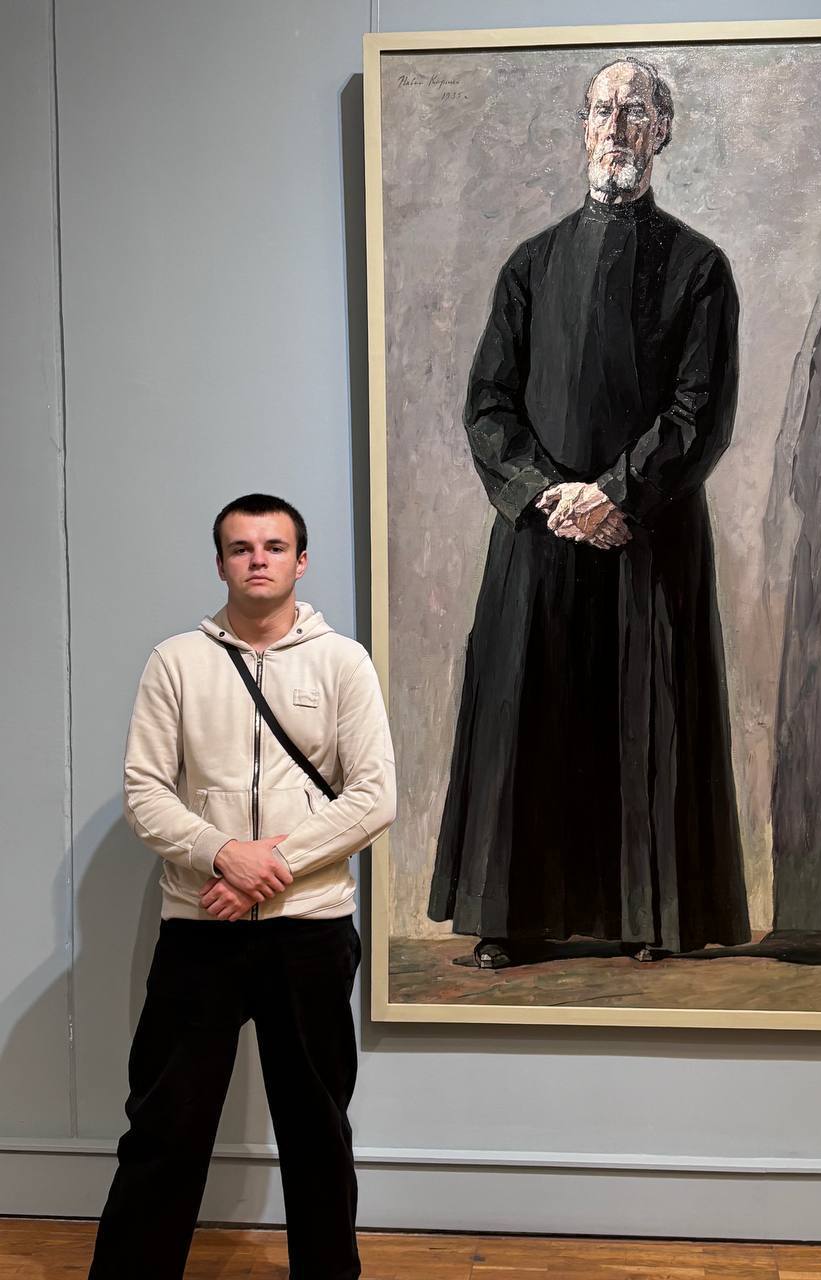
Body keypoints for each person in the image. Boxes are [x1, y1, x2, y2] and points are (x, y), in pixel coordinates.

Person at [428, 58, 750, 968]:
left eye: (636, 112)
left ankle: (650, 917)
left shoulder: (700, 267)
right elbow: (488, 407)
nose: (617, 127)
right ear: (583, 127)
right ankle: (512, 918)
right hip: (541, 534)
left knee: (646, 715)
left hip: (649, 532)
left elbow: (700, 411)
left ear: (663, 131)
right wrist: (551, 495)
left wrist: (616, 492)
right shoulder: (530, 265)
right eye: (603, 110)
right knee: (529, 714)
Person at [88, 493, 396, 1280]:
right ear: (220, 563)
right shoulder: (176, 662)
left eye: (274, 546)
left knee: (317, 1132)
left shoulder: (343, 662)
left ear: (301, 561)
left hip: (311, 933)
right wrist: (224, 853)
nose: (258, 559)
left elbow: (374, 798)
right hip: (201, 929)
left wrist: (264, 870)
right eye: (240, 547)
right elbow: (145, 793)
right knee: (165, 1128)